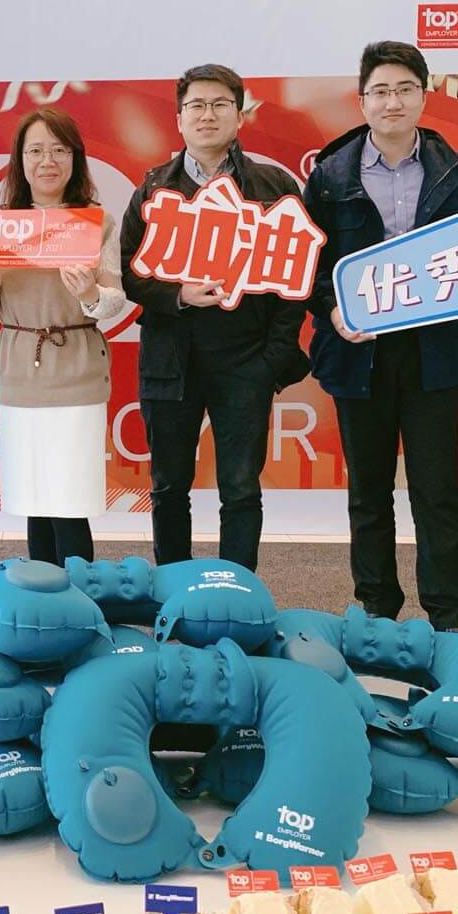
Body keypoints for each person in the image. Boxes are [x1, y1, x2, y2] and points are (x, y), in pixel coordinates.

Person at [304, 41, 458, 635]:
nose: (392, 101)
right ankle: (376, 611)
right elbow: (312, 268)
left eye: (403, 89)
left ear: (423, 95)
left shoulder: (457, 172)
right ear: (361, 99)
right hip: (358, 352)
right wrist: (332, 310)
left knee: (436, 488)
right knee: (368, 492)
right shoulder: (329, 177)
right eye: (379, 91)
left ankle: (448, 614)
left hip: (433, 353)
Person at [119, 63, 309, 572]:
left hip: (245, 359)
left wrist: (272, 359)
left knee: (242, 489)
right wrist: (177, 295)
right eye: (196, 106)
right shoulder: (155, 189)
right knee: (168, 488)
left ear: (239, 116)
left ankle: (237, 594)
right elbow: (130, 276)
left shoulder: (273, 186)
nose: (207, 115)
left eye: (220, 104)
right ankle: (172, 591)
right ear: (179, 119)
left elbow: (299, 281)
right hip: (169, 359)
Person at [0, 107, 126, 565]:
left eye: (59, 150)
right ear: (19, 160)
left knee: (71, 499)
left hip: (76, 368)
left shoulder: (97, 220)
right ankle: (42, 604)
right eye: (35, 150)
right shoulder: (3, 223)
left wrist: (91, 293)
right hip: (20, 369)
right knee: (32, 497)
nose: (47, 161)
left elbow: (115, 300)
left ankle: (79, 603)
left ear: (76, 158)